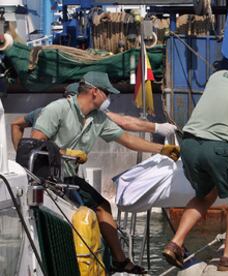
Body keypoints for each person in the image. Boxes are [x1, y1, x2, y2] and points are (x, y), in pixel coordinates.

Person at [31, 71, 180, 274]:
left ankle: (120, 261)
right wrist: (65, 153)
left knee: (102, 206)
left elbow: (127, 139)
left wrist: (161, 150)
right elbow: (36, 142)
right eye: (107, 93)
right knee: (76, 214)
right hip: (46, 177)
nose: (109, 98)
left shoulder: (98, 119)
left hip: (68, 177)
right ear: (94, 92)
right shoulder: (57, 109)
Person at [162, 48, 228, 271]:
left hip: (189, 143)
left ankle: (175, 243)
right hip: (218, 147)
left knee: (205, 195)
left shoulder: (217, 76)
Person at [11, 83, 177, 150]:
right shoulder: (50, 111)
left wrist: (162, 147)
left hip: (68, 171)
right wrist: (22, 154)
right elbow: (123, 122)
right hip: (49, 172)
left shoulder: (94, 116)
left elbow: (125, 132)